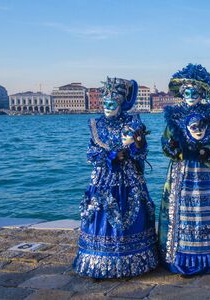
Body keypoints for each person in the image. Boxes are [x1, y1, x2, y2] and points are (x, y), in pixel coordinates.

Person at [73, 77, 158, 278]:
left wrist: (137, 146)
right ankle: (97, 261)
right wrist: (111, 155)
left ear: (121, 104)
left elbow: (142, 152)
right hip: (103, 178)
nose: (108, 107)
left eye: (112, 104)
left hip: (128, 177)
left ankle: (133, 260)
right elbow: (91, 154)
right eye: (106, 104)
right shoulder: (96, 125)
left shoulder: (132, 122)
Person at [158, 64, 210, 275]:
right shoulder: (173, 117)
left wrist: (208, 151)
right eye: (187, 92)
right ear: (182, 94)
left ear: (202, 93)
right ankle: (181, 256)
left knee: (209, 209)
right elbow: (165, 142)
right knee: (182, 210)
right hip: (182, 170)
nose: (191, 95)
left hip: (207, 171)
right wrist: (172, 148)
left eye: (195, 92)